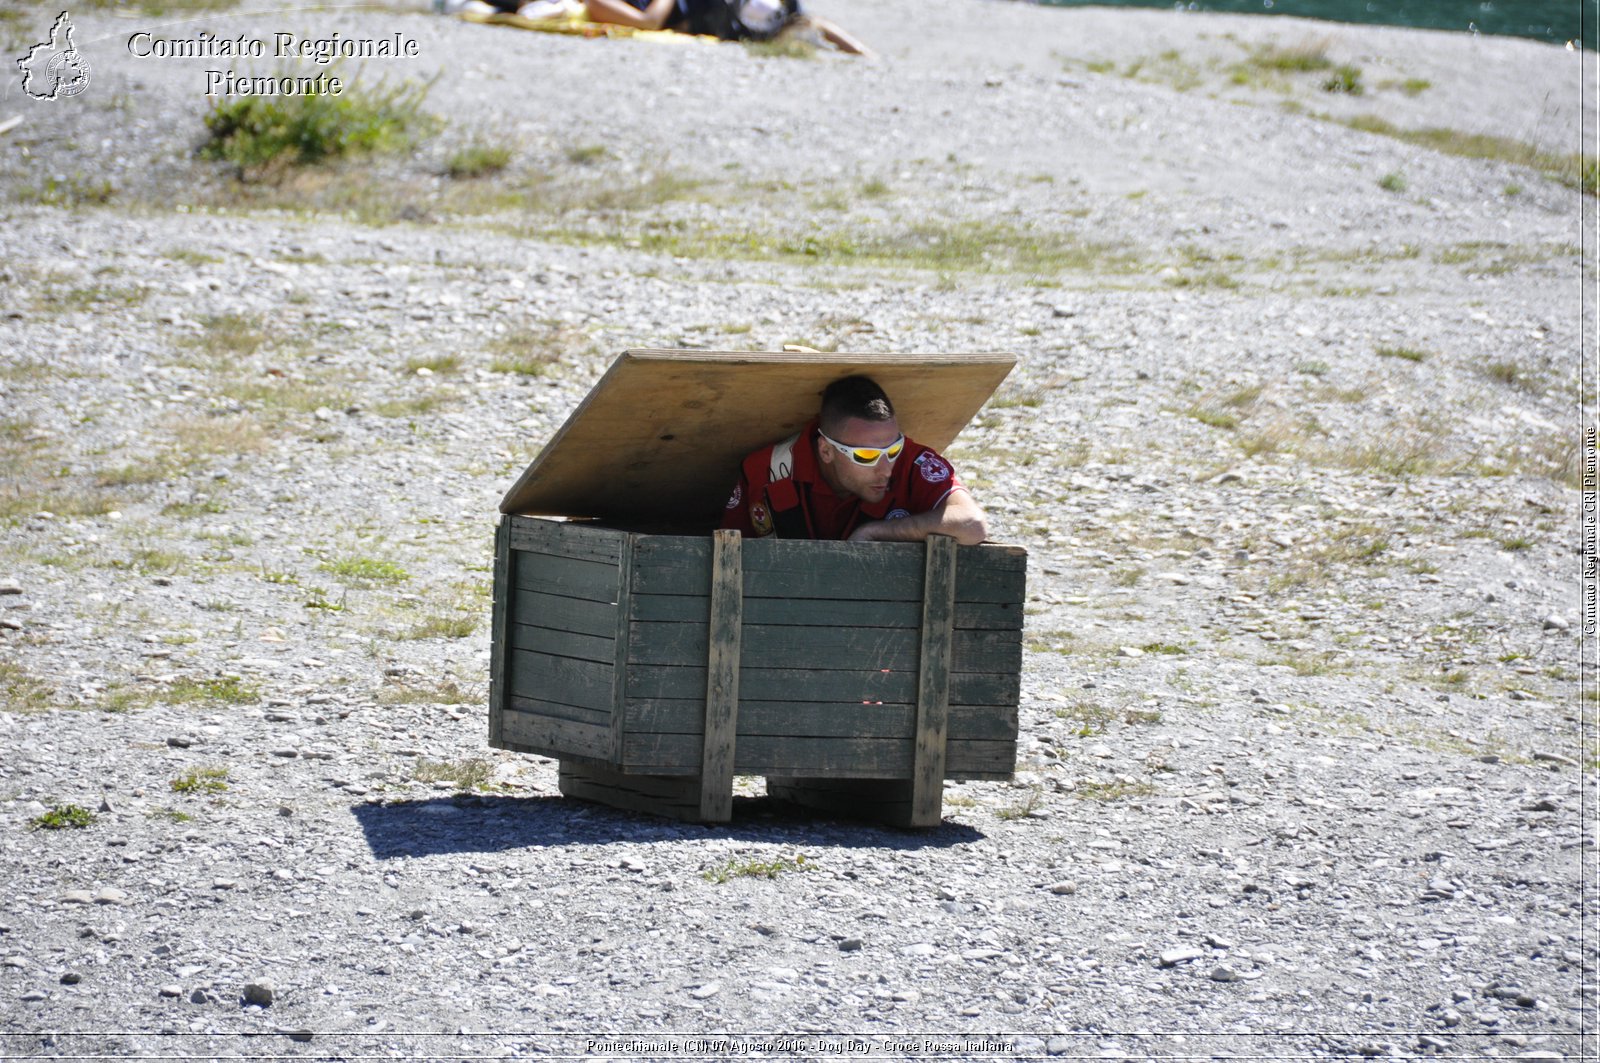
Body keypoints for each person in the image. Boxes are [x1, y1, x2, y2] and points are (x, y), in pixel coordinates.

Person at [720, 375, 988, 545]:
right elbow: (730, 549)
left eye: (893, 450)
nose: (886, 470)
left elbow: (972, 524)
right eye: (865, 456)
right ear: (826, 451)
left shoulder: (915, 462)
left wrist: (876, 532)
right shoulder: (764, 470)